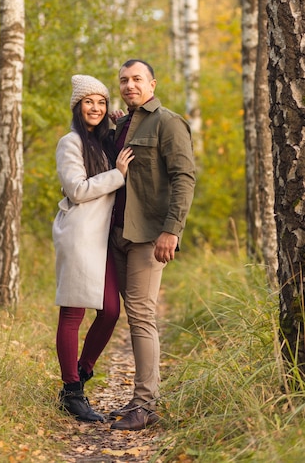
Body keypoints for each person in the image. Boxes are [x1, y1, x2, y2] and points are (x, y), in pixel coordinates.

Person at [108, 59, 196, 431]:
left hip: (149, 235)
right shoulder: (125, 124)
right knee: (132, 315)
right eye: (124, 80)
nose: (130, 85)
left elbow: (184, 177)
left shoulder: (168, 122)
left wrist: (171, 231)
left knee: (142, 316)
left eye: (137, 79)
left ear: (152, 84)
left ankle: (144, 406)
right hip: (117, 234)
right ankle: (141, 396)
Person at [53, 74, 134, 423]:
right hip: (79, 234)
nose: (96, 108)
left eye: (101, 102)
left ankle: (82, 372)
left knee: (111, 310)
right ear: (77, 106)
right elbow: (77, 189)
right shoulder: (69, 143)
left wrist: (120, 124)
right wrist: (117, 174)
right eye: (89, 102)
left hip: (101, 238)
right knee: (73, 314)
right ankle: (72, 392)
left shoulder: (103, 142)